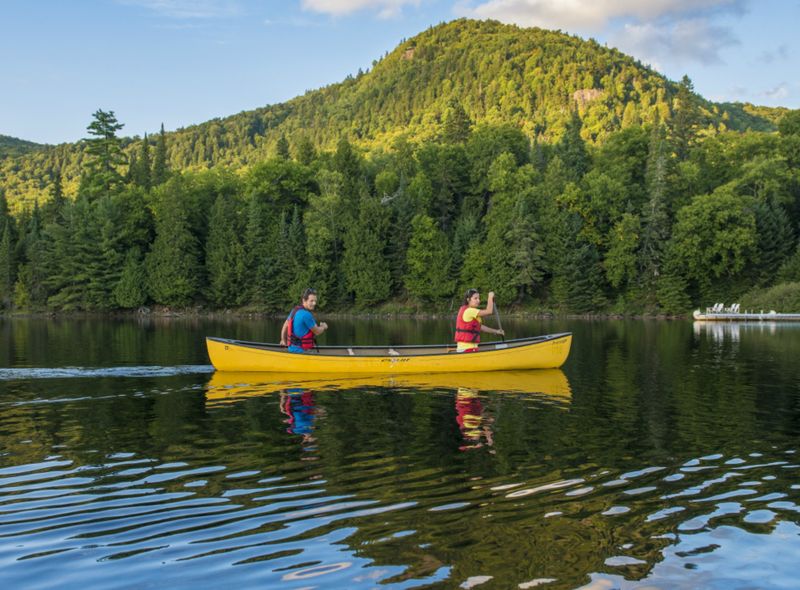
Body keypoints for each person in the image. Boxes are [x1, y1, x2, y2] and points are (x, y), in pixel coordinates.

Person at [280, 288, 328, 353]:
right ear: (304, 300)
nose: (314, 303)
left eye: (315, 301)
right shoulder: (306, 315)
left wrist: (283, 340)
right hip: (301, 351)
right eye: (311, 301)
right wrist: (323, 327)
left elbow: (285, 326)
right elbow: (317, 331)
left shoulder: (294, 310)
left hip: (291, 348)